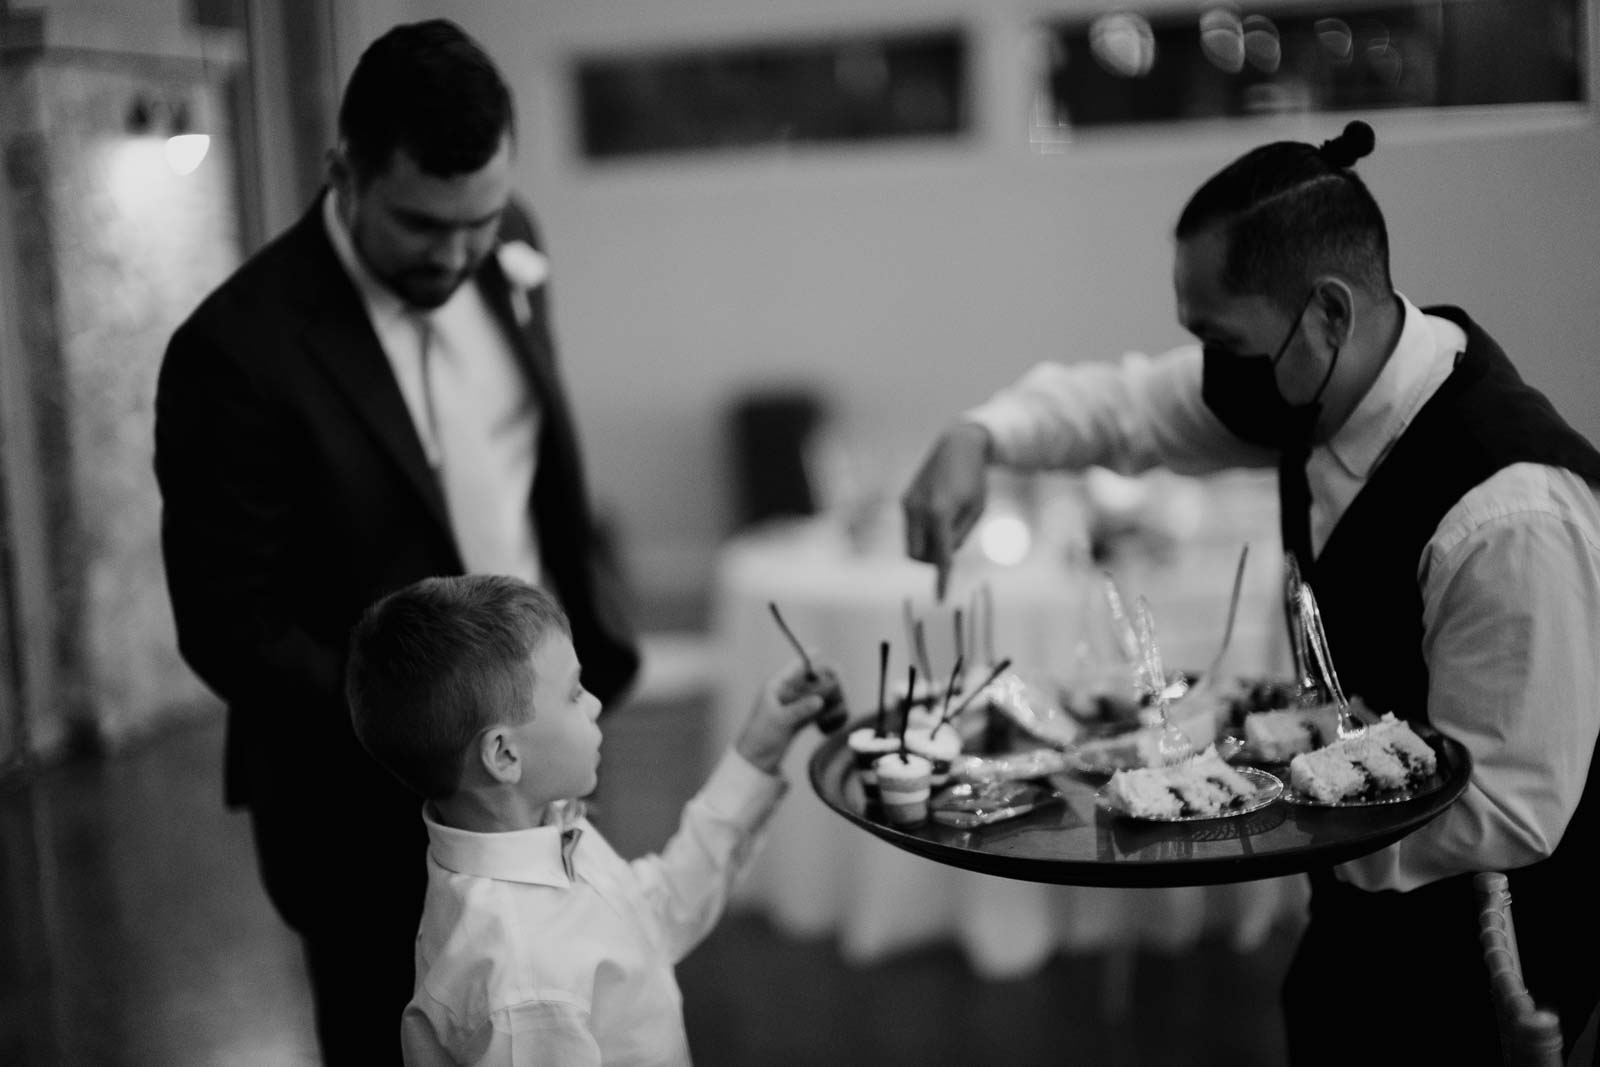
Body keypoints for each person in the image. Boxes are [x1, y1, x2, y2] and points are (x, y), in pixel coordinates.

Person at [901, 120, 1600, 1065]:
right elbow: (1122, 407)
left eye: (1220, 340)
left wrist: (1243, 807)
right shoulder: (1309, 385)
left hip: (1486, 960)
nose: (1207, 370)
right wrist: (975, 437)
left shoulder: (1508, 513)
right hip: (1354, 926)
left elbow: (1511, 812)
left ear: (1328, 314)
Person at [153, 19, 639, 1064]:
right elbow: (229, 625)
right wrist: (429, 731)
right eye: (424, 224)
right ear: (346, 170)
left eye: (481, 220)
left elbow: (535, 468)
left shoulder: (516, 243)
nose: (460, 253)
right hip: (358, 796)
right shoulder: (234, 351)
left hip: (534, 750)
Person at [344, 573, 841, 1065]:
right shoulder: (526, 986)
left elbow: (652, 911)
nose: (597, 704)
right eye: (574, 693)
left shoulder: (542, 827)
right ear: (504, 754)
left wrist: (756, 753)